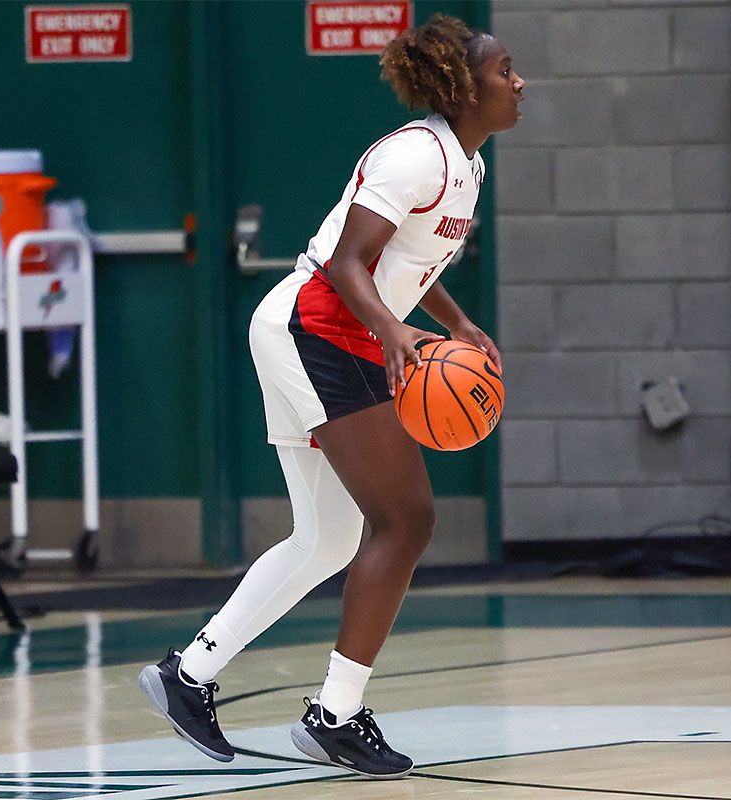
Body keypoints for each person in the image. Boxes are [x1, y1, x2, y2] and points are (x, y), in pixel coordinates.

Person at [139, 13, 524, 779]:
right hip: (313, 330)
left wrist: (455, 320)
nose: (519, 82)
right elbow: (349, 262)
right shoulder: (414, 156)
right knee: (406, 518)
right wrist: (392, 331)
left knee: (328, 539)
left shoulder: (467, 164)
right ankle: (335, 716)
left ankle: (187, 676)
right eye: (505, 70)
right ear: (462, 88)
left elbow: (411, 263)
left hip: (325, 334)